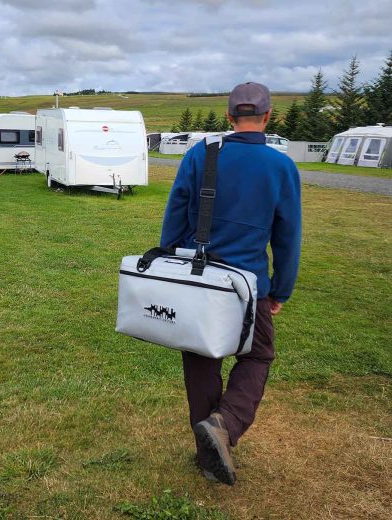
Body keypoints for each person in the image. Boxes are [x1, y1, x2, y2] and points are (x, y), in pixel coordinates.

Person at [160, 82, 301, 485]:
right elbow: (287, 237)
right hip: (248, 286)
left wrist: (171, 261)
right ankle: (225, 422)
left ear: (228, 118)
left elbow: (175, 217)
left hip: (201, 282)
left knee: (202, 360)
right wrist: (280, 289)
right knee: (257, 357)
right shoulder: (282, 167)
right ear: (268, 116)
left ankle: (207, 449)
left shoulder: (200, 155)